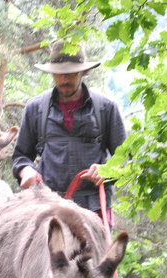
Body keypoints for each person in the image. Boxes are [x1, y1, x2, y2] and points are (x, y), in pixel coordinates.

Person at [12, 40, 127, 226]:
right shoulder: (35, 109)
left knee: (97, 256)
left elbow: (125, 159)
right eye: (59, 74)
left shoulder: (106, 108)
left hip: (94, 209)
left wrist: (108, 170)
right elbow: (21, 156)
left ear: (85, 72)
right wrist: (26, 171)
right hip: (47, 207)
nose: (64, 80)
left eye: (71, 73)